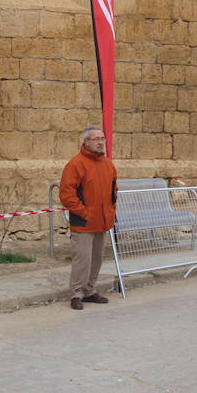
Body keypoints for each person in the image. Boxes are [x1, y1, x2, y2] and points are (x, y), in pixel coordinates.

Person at [59, 126, 117, 310]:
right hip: (83, 222)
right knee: (82, 259)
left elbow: (113, 191)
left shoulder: (108, 164)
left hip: (102, 221)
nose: (100, 142)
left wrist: (110, 212)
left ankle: (90, 290)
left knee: (96, 258)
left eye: (102, 138)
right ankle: (76, 294)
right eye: (96, 139)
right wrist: (85, 213)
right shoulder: (75, 164)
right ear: (86, 142)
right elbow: (67, 195)